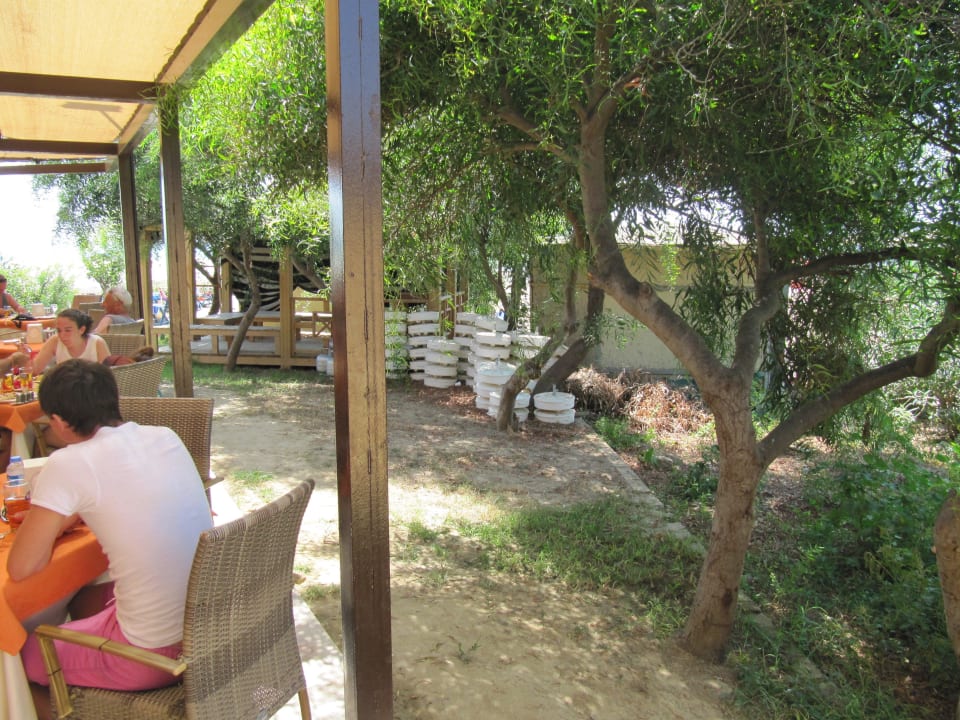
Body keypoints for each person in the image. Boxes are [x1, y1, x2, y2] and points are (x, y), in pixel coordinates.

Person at [7, 359, 213, 717]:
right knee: (82, 595)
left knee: (19, 656)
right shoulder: (165, 436)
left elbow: (22, 566)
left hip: (152, 652)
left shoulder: (69, 463)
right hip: (206, 627)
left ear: (58, 422)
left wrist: (42, 522)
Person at [30, 308, 109, 374]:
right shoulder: (55, 341)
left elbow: (109, 376)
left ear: (81, 330)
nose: (62, 335)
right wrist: (26, 359)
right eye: (59, 330)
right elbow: (35, 370)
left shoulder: (97, 343)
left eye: (68, 330)